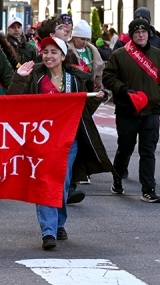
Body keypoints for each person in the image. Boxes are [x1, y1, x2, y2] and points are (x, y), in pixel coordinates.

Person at [7, 36, 111, 250]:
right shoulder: (33, 76)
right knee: (44, 182)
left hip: (68, 140)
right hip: (41, 140)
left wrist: (97, 97)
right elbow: (13, 101)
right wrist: (19, 77)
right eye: (45, 51)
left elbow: (84, 111)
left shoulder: (76, 80)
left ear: (63, 56)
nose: (48, 56)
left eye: (54, 52)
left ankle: (58, 223)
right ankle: (48, 231)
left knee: (62, 185)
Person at [103, 19, 160, 203]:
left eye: (144, 31)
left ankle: (148, 189)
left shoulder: (159, 55)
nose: (141, 35)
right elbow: (108, 76)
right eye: (137, 32)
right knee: (125, 148)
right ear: (131, 35)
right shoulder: (119, 55)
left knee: (148, 150)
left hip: (151, 110)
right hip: (127, 110)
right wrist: (123, 89)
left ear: (149, 34)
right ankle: (117, 178)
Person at [67, 19, 104, 89]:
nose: (85, 42)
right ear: (74, 37)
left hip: (90, 87)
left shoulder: (92, 50)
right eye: (82, 39)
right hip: (74, 87)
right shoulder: (67, 50)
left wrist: (99, 84)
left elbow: (99, 71)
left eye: (87, 40)